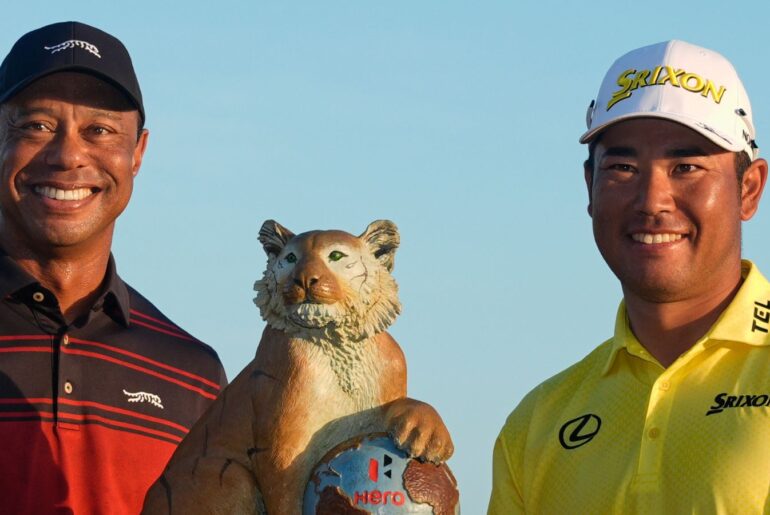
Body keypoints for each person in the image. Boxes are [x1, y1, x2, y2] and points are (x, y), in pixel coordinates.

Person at [488, 40, 770, 513]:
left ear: (748, 189)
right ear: (590, 187)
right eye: (623, 167)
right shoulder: (536, 424)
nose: (652, 200)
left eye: (686, 167)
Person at [0, 21, 226, 513]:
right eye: (37, 125)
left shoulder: (194, 376)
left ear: (137, 153)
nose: (68, 155)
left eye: (99, 131)